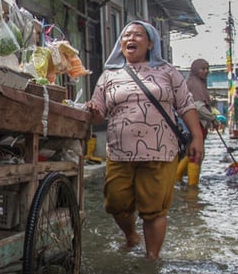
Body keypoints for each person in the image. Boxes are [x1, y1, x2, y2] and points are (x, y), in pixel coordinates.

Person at [86, 21, 203, 261]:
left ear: (150, 43)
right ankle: (131, 236)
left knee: (154, 209)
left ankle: (152, 258)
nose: (131, 38)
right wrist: (94, 112)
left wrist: (197, 137)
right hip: (120, 152)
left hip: (160, 150)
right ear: (121, 44)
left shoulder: (167, 72)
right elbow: (99, 108)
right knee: (116, 202)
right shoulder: (109, 75)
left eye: (138, 35)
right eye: (126, 35)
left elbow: (186, 105)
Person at [176, 59, 225, 185]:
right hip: (194, 125)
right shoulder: (194, 84)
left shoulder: (197, 83)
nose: (206, 72)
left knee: (191, 153)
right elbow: (197, 106)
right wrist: (212, 118)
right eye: (202, 69)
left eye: (207, 69)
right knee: (195, 154)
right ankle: (192, 188)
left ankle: (178, 181)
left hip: (196, 126)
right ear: (195, 70)